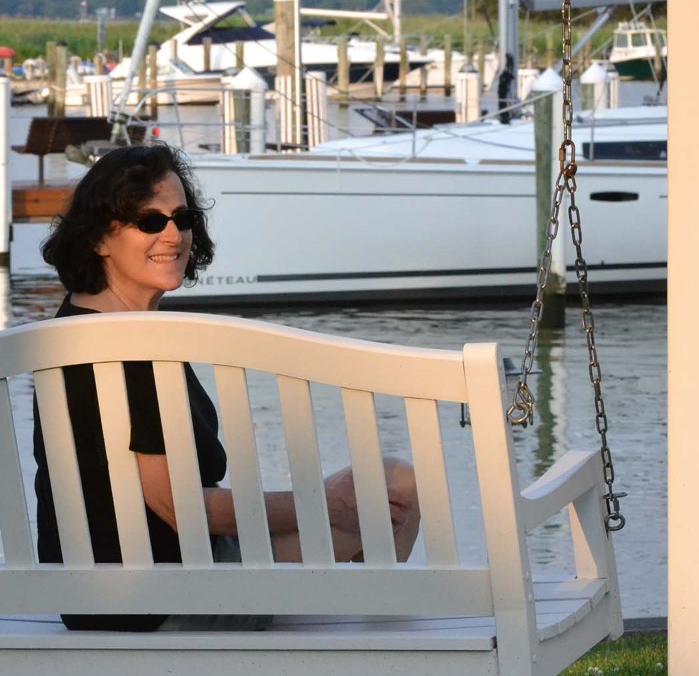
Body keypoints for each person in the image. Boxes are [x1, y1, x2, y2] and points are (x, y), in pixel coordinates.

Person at [33, 142, 421, 632]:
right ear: (100, 239)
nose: (172, 234)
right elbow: (184, 510)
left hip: (111, 589)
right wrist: (324, 502)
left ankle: (360, 644)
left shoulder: (75, 326)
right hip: (161, 597)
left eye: (182, 217)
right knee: (393, 489)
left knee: (382, 488)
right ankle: (380, 651)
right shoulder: (125, 349)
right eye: (149, 221)